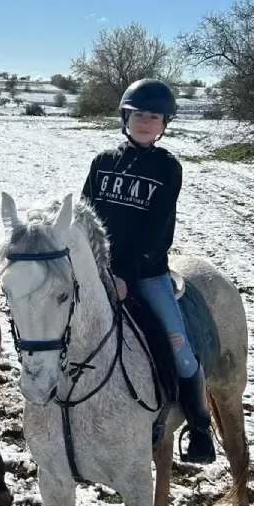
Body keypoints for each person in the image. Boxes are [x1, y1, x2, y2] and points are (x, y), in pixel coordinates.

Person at [81, 78, 215, 464]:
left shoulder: (168, 168)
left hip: (146, 273)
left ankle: (199, 428)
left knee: (181, 351)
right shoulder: (103, 162)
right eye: (139, 114)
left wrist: (126, 274)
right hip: (102, 271)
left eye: (154, 116)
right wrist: (97, 268)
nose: (145, 122)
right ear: (126, 116)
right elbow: (86, 218)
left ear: (164, 124)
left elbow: (158, 232)